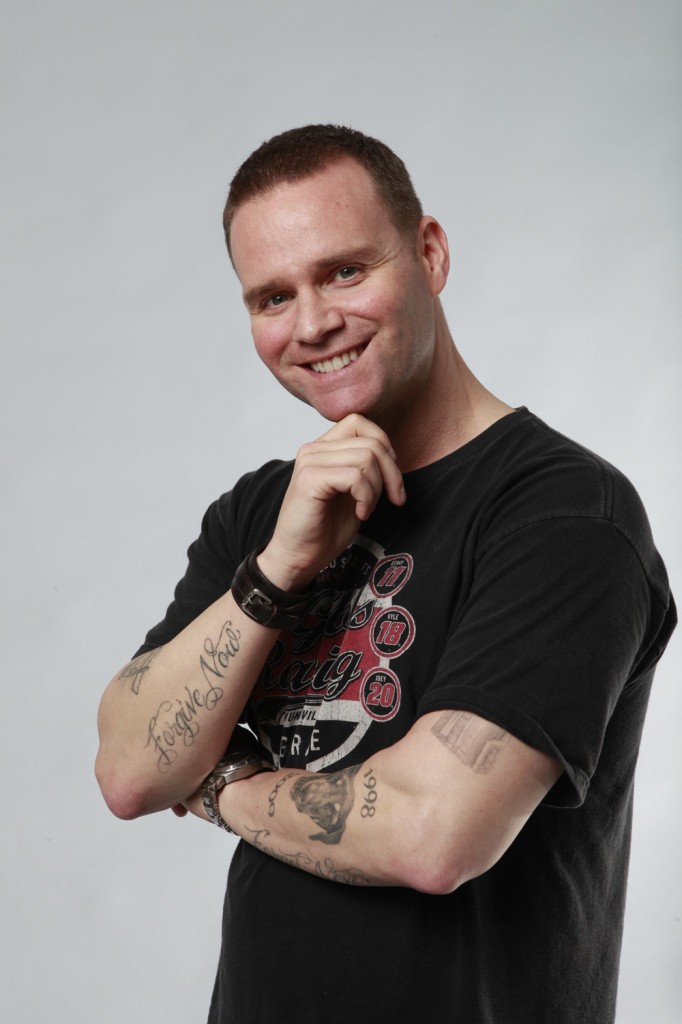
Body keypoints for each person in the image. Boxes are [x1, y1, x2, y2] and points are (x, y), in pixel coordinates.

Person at [95, 124, 676, 1024]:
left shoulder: (566, 513)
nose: (312, 324)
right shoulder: (263, 513)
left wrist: (223, 787)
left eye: (344, 272)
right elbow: (130, 771)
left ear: (430, 253)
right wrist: (276, 572)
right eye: (273, 297)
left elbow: (432, 835)